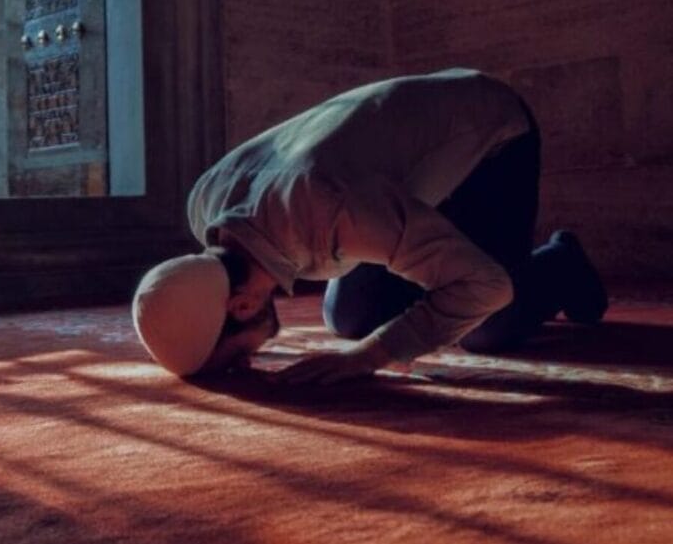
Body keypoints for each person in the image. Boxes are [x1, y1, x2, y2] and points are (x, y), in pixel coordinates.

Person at [131, 68, 607, 384]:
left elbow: (486, 286)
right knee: (351, 319)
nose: (249, 362)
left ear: (241, 304)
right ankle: (434, 254)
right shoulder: (205, 203)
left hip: (489, 136)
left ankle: (561, 263)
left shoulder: (329, 206)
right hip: (391, 181)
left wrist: (371, 357)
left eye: (237, 358)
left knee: (486, 325)